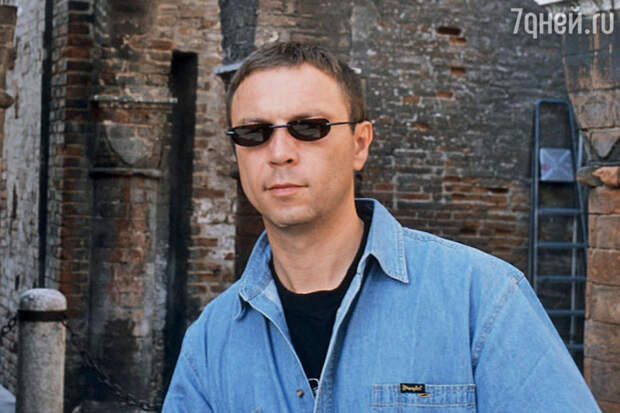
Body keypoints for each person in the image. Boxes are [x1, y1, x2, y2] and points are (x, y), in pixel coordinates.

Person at [162, 42, 600, 412]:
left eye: (309, 128)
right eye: (253, 133)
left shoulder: (481, 299)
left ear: (360, 144)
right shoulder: (210, 341)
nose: (279, 153)